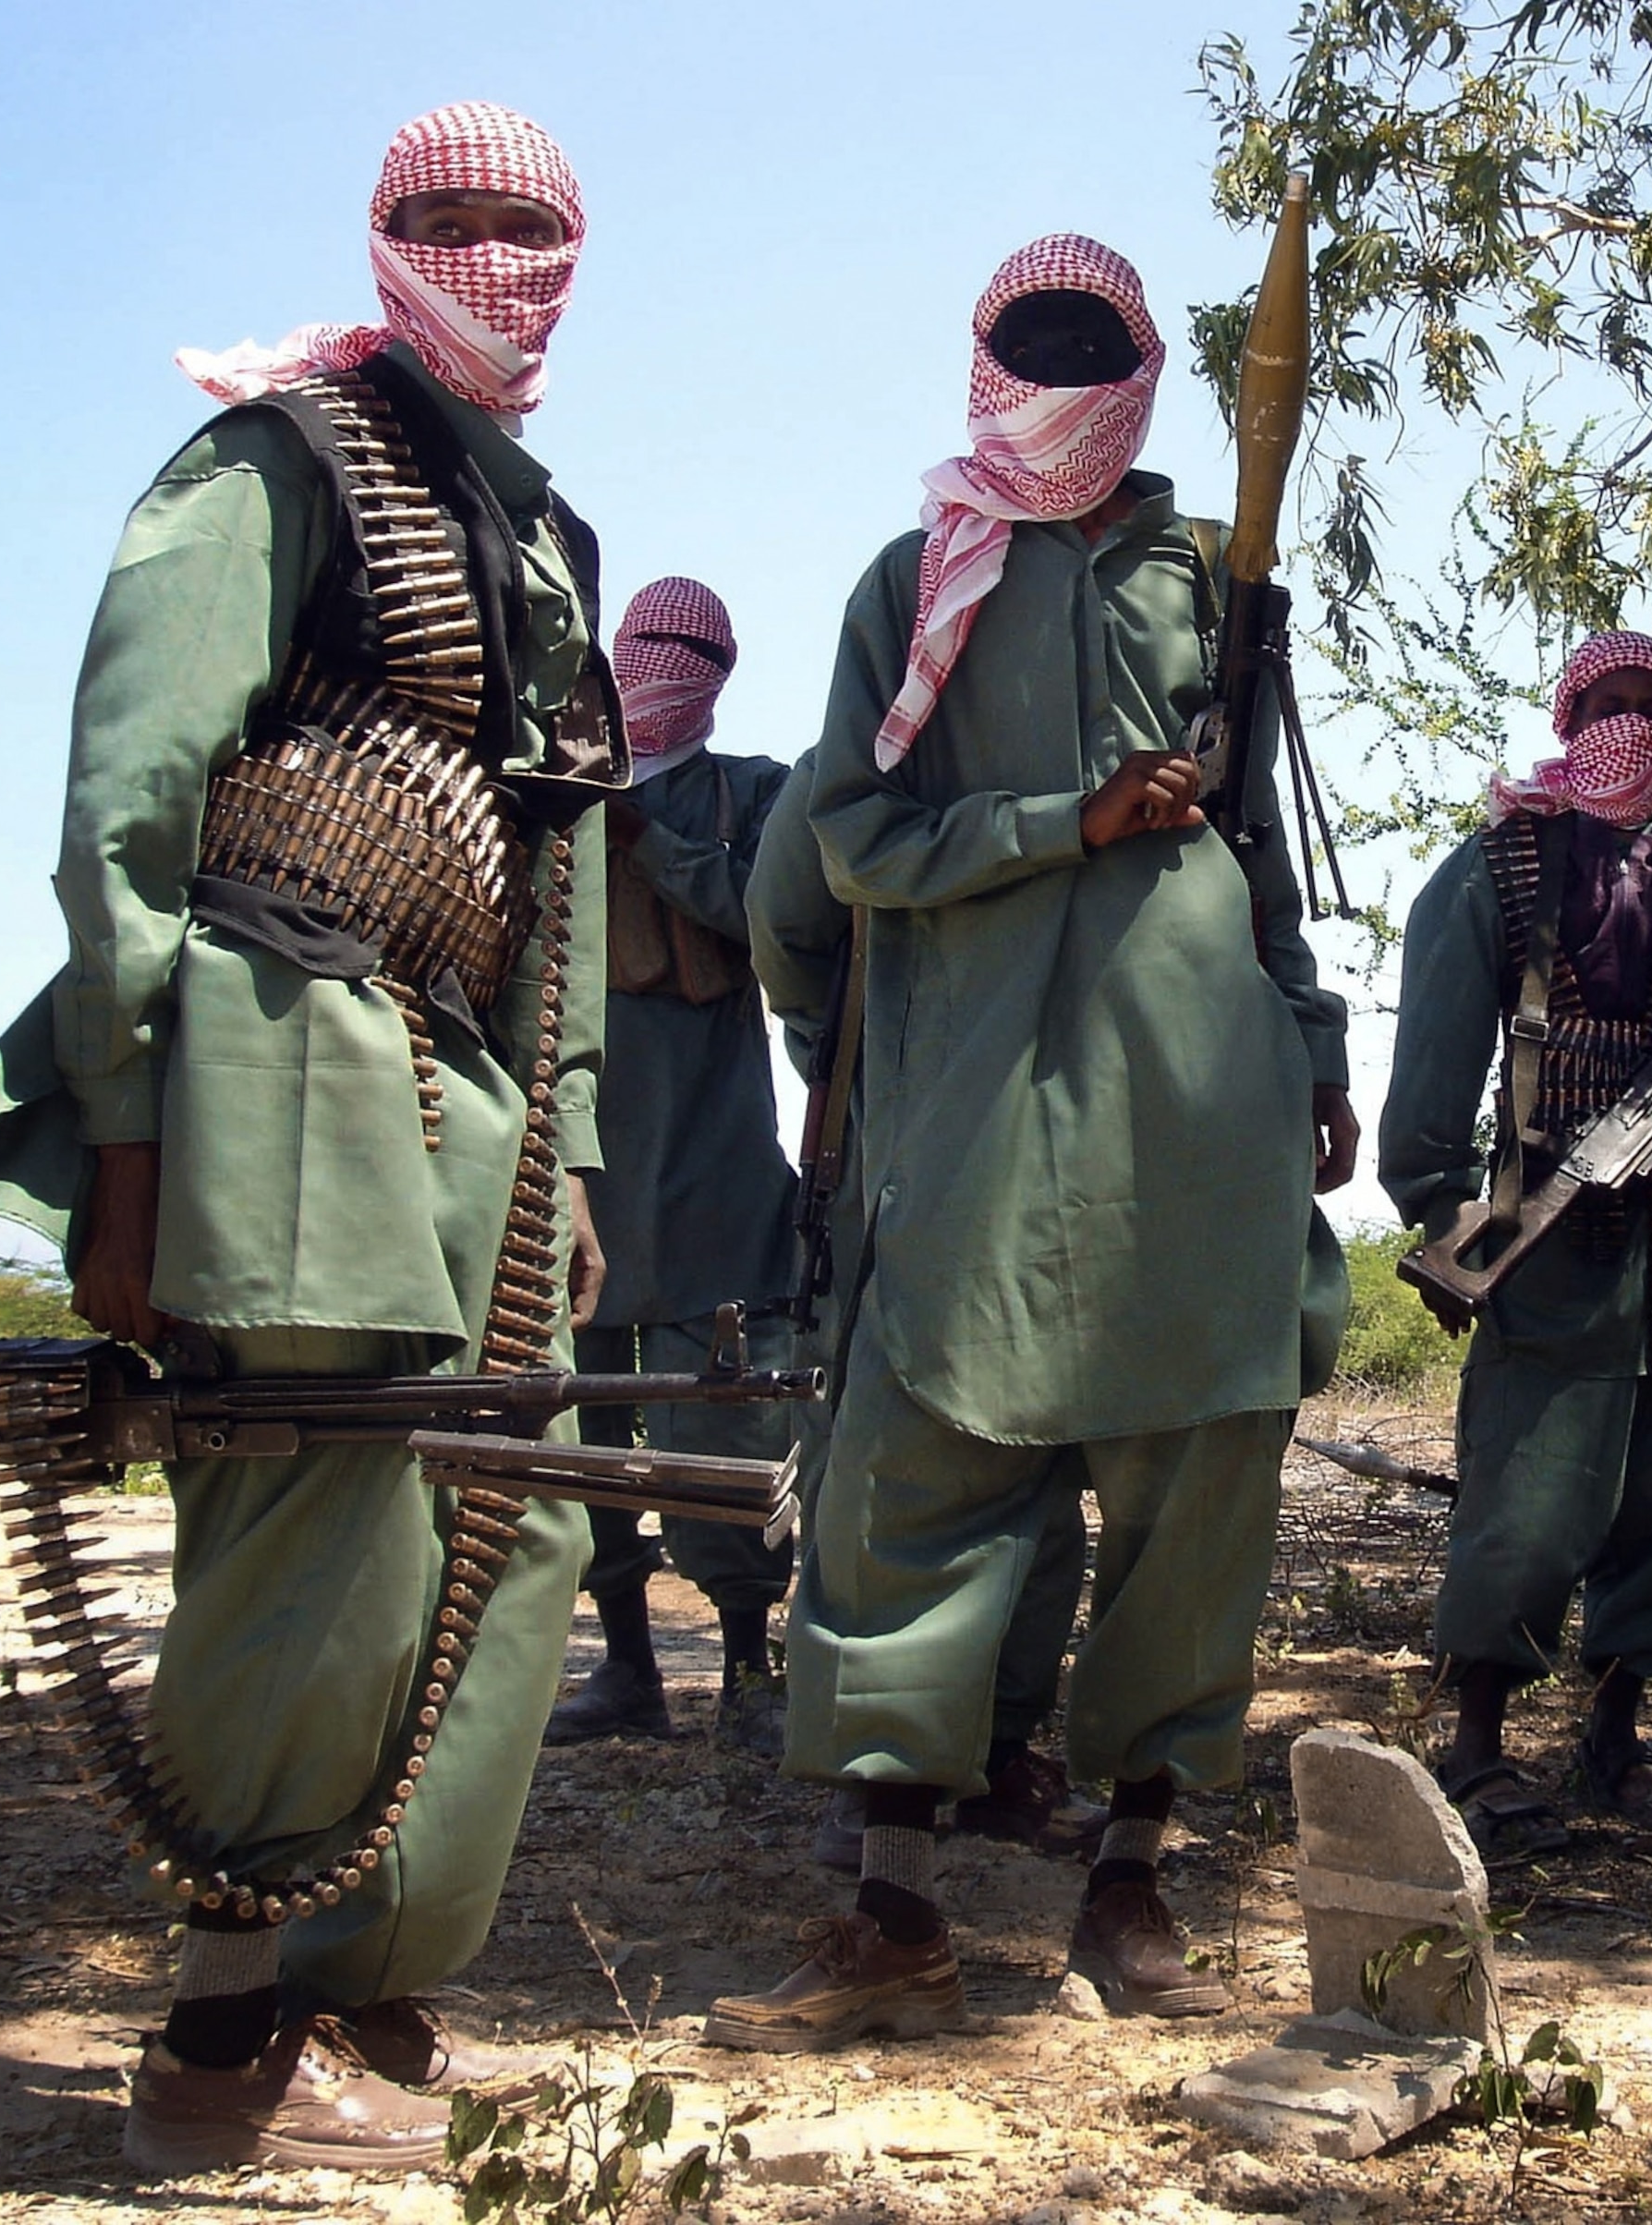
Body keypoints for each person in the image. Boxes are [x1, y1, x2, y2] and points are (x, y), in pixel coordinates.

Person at [0, 103, 622, 2170]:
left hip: (466, 1068)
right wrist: (131, 1138)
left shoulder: (538, 528)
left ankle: (371, 1998)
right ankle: (222, 2041)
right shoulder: (276, 460)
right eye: (455, 222)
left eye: (534, 227)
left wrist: (564, 1140)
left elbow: (555, 864)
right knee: (314, 1521)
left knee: (515, 1527)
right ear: (387, 236)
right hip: (284, 1042)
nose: (498, 259)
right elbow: (130, 795)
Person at [703, 235, 1356, 2051]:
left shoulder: (1214, 581)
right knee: (913, 1474)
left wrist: (1309, 1039)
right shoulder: (916, 582)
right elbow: (847, 837)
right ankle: (893, 1912)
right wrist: (1062, 819)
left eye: (1094, 345)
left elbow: (1255, 859)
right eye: (1027, 343)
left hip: (1194, 1093)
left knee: (1191, 1474)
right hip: (970, 1098)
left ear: (1146, 370)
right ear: (980, 362)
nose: (1059, 374)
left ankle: (1133, 1879)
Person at [1377, 632, 1652, 1860]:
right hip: (1549, 1226)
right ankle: (1478, 1745)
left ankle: (1618, 1735)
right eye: (1607, 705)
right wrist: (1442, 1210)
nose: (1632, 727)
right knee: (1529, 1490)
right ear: (1568, 718)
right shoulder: (1502, 864)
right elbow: (1438, 1052)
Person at [742, 754, 1102, 1864]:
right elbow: (785, 931)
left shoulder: (1108, 774)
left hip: (1055, 1146)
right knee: (873, 1463)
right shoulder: (863, 767)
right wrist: (851, 1057)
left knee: (1040, 1456)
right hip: (890, 1141)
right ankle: (873, 1771)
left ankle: (993, 1750)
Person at [541, 578, 804, 1757]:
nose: (661, 666)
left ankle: (749, 1667)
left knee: (728, 1432)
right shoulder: (555, 798)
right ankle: (628, 1666)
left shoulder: (752, 795)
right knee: (589, 1435)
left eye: (686, 649)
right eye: (644, 645)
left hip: (718, 1169)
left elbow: (773, 918)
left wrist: (648, 835)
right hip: (589, 1169)